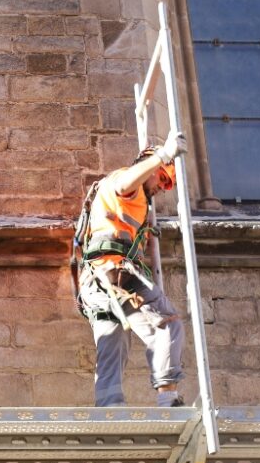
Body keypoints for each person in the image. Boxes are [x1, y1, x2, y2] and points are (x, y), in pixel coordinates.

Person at [72, 135, 186, 408]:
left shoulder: (121, 197)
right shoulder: (126, 183)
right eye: (162, 178)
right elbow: (127, 183)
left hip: (95, 280)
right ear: (149, 167)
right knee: (167, 326)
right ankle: (168, 398)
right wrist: (163, 155)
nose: (162, 187)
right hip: (114, 272)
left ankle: (109, 406)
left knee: (112, 339)